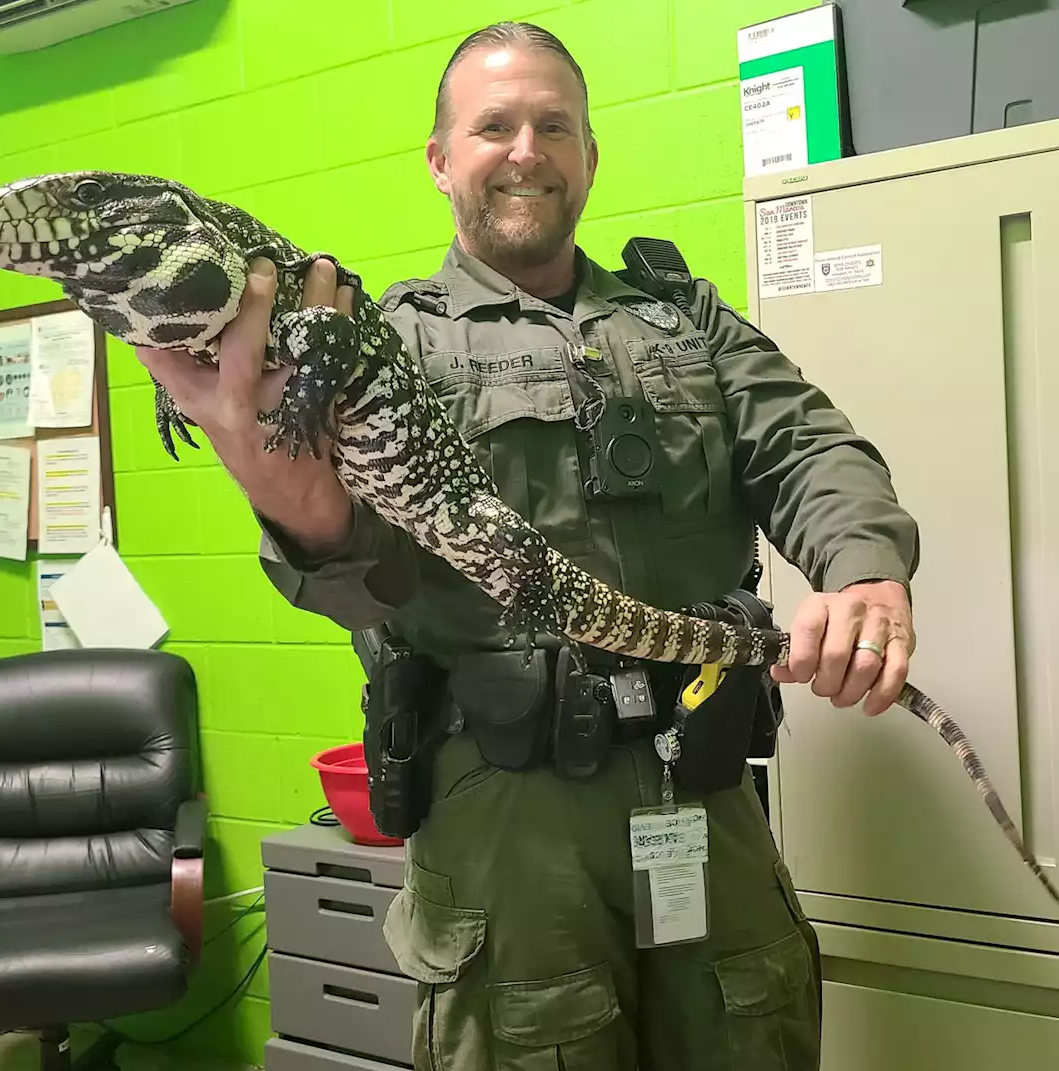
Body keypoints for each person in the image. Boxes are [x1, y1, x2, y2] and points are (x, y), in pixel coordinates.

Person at [136, 20, 919, 1070]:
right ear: (439, 159)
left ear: (589, 155)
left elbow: (810, 448)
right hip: (503, 822)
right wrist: (294, 503)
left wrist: (863, 567)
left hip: (702, 788)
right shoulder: (381, 344)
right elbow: (360, 576)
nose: (524, 150)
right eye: (491, 126)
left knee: (749, 1032)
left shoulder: (687, 324)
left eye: (554, 126)